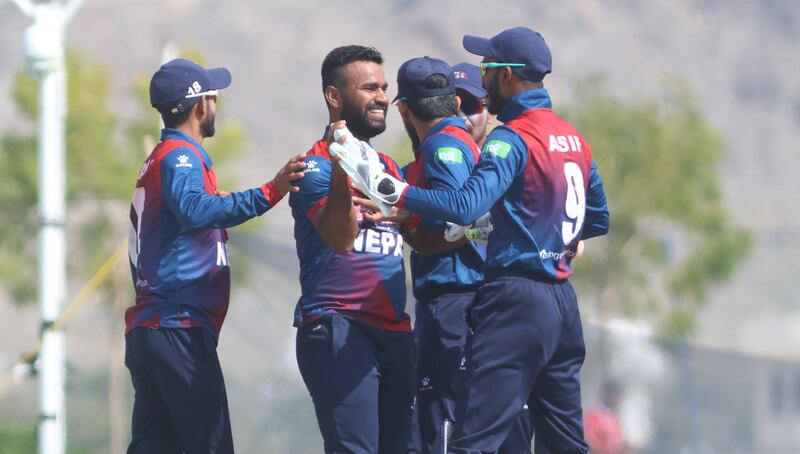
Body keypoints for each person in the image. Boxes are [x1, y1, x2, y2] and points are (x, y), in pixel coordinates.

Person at [366, 27, 610, 453]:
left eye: (488, 69)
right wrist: (551, 236)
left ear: (509, 77)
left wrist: (399, 193)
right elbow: (599, 218)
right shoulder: (575, 139)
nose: (481, 78)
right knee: (566, 445)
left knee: (473, 441)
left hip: (515, 300)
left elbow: (464, 206)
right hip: (563, 304)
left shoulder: (511, 136)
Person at [125, 58, 306, 453]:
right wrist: (270, 191)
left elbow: (185, 218)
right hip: (177, 329)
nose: (216, 105)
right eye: (213, 96)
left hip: (156, 329)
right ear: (199, 105)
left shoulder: (166, 156)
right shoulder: (180, 156)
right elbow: (192, 209)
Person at [288, 45, 415, 454]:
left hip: (395, 331)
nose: (382, 97)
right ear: (334, 97)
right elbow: (341, 239)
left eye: (384, 87)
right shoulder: (313, 168)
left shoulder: (390, 169)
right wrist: (343, 167)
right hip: (339, 328)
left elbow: (425, 231)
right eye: (369, 88)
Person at [452, 62, 493, 147]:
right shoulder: (426, 156)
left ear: (491, 113)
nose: (461, 117)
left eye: (471, 106)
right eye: (452, 106)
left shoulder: (505, 159)